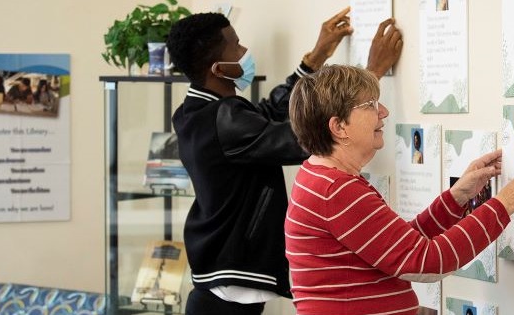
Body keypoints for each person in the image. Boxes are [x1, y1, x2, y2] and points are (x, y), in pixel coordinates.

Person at [166, 8, 402, 315]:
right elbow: (308, 136)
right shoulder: (223, 121)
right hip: (226, 296)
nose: (245, 52)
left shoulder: (198, 112)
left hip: (218, 286)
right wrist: (369, 76)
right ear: (218, 68)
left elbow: (267, 115)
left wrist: (314, 58)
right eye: (236, 46)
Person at [286, 65, 514, 314]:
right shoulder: (336, 190)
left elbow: (400, 247)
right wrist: (504, 204)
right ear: (339, 127)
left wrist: (456, 198)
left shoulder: (321, 179)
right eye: (370, 104)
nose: (383, 112)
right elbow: (427, 261)